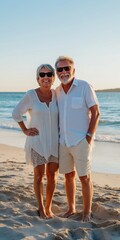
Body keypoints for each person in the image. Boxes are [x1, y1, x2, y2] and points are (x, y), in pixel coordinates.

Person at [55, 56, 100, 222]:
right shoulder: (57, 92)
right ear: (57, 72)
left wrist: (88, 137)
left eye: (67, 68)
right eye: (60, 69)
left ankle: (86, 212)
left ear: (73, 70)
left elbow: (96, 112)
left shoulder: (84, 87)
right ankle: (71, 208)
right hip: (63, 142)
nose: (64, 72)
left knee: (84, 177)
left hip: (81, 141)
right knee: (68, 176)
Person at [12, 64, 59, 219]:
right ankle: (41, 208)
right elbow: (16, 113)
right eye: (42, 74)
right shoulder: (31, 95)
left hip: (54, 142)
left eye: (49, 74)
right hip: (37, 141)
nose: (46, 77)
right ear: (38, 78)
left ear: (53, 77)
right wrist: (25, 130)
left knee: (52, 175)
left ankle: (48, 207)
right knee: (39, 176)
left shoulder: (57, 94)